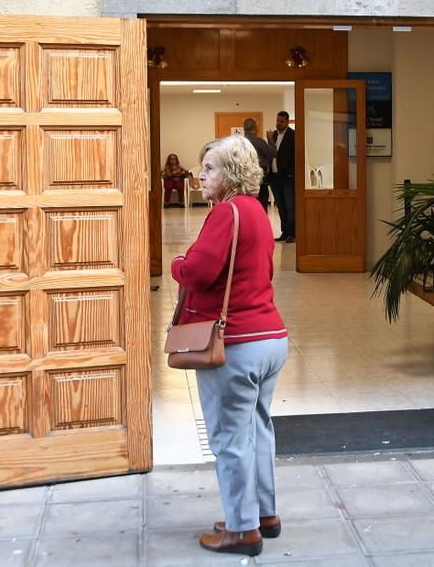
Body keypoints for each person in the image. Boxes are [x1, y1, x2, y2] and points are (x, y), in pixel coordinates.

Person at [170, 135, 288, 557]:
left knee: (229, 438)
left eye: (210, 168)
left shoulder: (225, 213)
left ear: (231, 175)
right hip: (270, 339)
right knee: (257, 430)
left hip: (235, 344)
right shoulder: (256, 210)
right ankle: (264, 515)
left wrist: (177, 263)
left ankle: (242, 530)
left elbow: (199, 272)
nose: (201, 175)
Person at [267, 111, 296, 243]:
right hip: (274, 177)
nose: (278, 124)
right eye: (277, 121)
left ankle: (293, 233)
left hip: (287, 177)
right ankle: (285, 232)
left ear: (287, 122)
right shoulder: (273, 135)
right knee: (281, 206)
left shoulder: (293, 135)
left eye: (281, 121)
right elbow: (269, 153)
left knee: (290, 206)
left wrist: (290, 172)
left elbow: (296, 156)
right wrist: (269, 141)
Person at [241, 117, 276, 209]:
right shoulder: (259, 141)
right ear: (255, 128)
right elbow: (272, 154)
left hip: (245, 179)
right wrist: (270, 140)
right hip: (260, 179)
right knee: (261, 204)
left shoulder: (240, 142)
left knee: (248, 205)